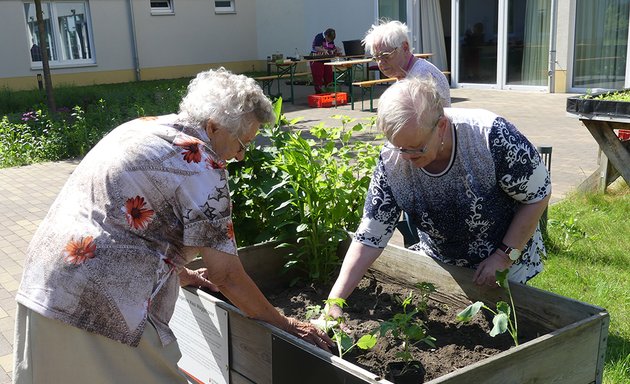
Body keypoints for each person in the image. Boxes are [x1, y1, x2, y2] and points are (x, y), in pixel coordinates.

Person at [13, 68, 332, 383]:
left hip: (44, 282)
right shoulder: (202, 166)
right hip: (101, 306)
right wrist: (286, 325)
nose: (240, 157)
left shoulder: (141, 129)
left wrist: (182, 274)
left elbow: (125, 228)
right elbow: (226, 275)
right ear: (213, 127)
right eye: (241, 144)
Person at [326, 76, 550, 316]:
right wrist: (335, 302)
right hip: (440, 262)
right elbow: (371, 233)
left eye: (417, 148)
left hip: (505, 259)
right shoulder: (392, 159)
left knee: (511, 325)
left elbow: (538, 196)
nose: (407, 157)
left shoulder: (491, 137)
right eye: (400, 147)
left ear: (441, 126)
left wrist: (503, 257)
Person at [363, 20, 451, 106]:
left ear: (404, 47)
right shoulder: (407, 72)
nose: (381, 62)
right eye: (376, 57)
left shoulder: (421, 77)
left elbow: (422, 119)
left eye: (385, 55)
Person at [310, 28, 342, 94]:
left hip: (326, 59)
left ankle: (329, 91)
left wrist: (335, 49)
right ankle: (319, 92)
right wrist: (324, 50)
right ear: (326, 35)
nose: (329, 41)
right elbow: (316, 47)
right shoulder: (319, 36)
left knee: (329, 75)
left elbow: (332, 48)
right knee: (318, 76)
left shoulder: (331, 39)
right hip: (317, 59)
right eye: (329, 39)